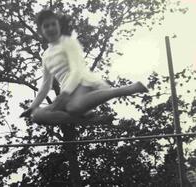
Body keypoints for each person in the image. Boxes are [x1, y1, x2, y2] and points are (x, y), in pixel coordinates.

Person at [20, 9, 148, 125]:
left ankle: (127, 89)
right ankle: (89, 121)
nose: (51, 28)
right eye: (46, 26)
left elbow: (77, 71)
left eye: (53, 24)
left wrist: (64, 94)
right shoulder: (46, 55)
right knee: (37, 115)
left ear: (59, 25)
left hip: (83, 83)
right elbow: (45, 86)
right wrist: (32, 107)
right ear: (41, 30)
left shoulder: (68, 42)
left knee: (73, 107)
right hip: (68, 93)